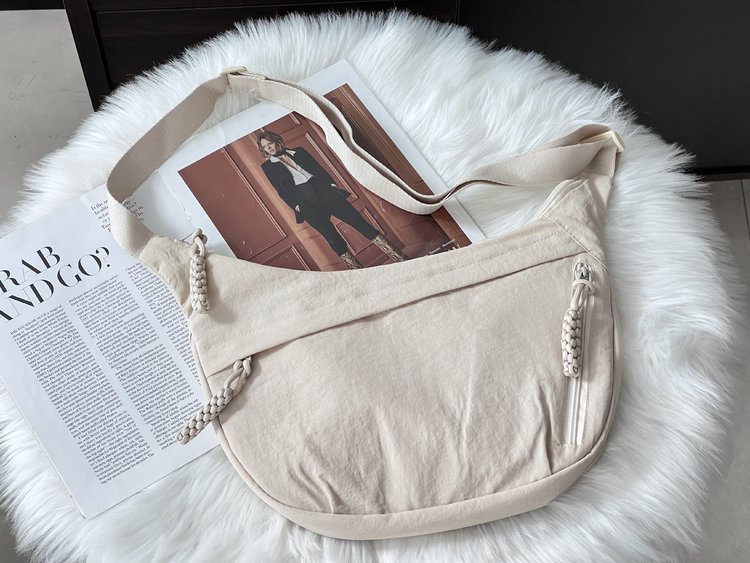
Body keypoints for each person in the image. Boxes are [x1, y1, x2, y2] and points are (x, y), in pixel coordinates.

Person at [257, 131, 409, 268]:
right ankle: (358, 272)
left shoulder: (299, 151)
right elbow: (281, 190)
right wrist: (297, 207)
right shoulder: (268, 167)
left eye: (270, 143)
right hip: (305, 203)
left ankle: (399, 257)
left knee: (358, 222)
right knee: (332, 237)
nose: (268, 148)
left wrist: (331, 184)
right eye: (264, 146)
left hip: (324, 190)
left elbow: (318, 168)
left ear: (277, 141)